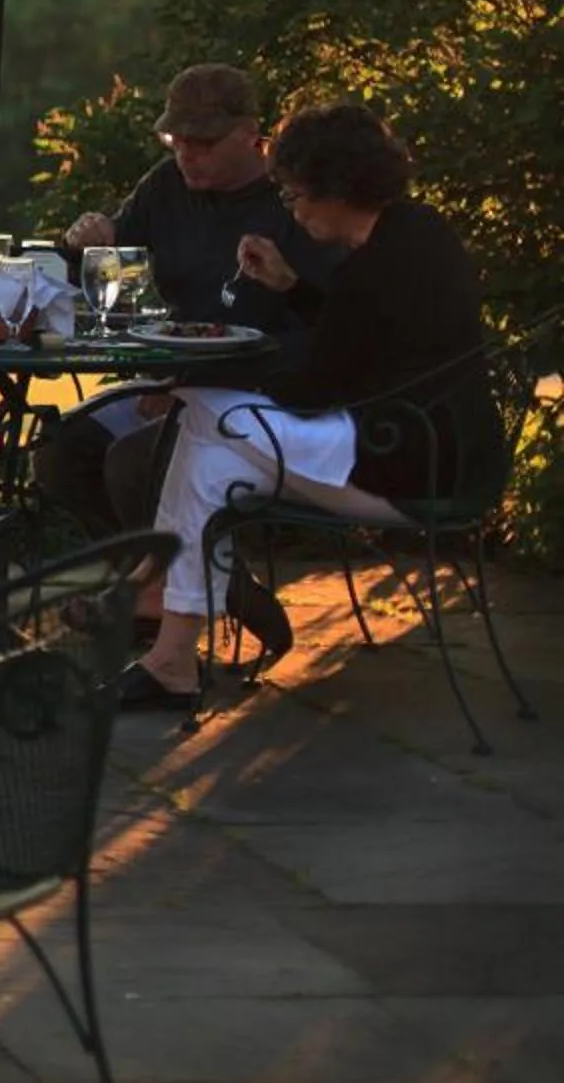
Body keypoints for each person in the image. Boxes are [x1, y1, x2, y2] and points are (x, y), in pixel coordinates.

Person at [123, 103, 492, 707]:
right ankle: (171, 658)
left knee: (199, 403)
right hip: (424, 441)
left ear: (337, 187)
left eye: (295, 195)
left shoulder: (379, 264)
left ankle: (154, 594)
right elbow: (366, 339)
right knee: (210, 467)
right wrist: (292, 288)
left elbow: (318, 386)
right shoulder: (413, 234)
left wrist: (242, 366)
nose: (291, 208)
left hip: (408, 462)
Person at [35, 64, 340, 550]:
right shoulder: (167, 187)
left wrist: (201, 384)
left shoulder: (294, 203)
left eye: (202, 144)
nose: (186, 156)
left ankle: (177, 586)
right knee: (59, 451)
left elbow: (323, 330)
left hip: (261, 393)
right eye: (176, 142)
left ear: (248, 134)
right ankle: (147, 587)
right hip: (172, 381)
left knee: (134, 461)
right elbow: (108, 260)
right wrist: (83, 244)